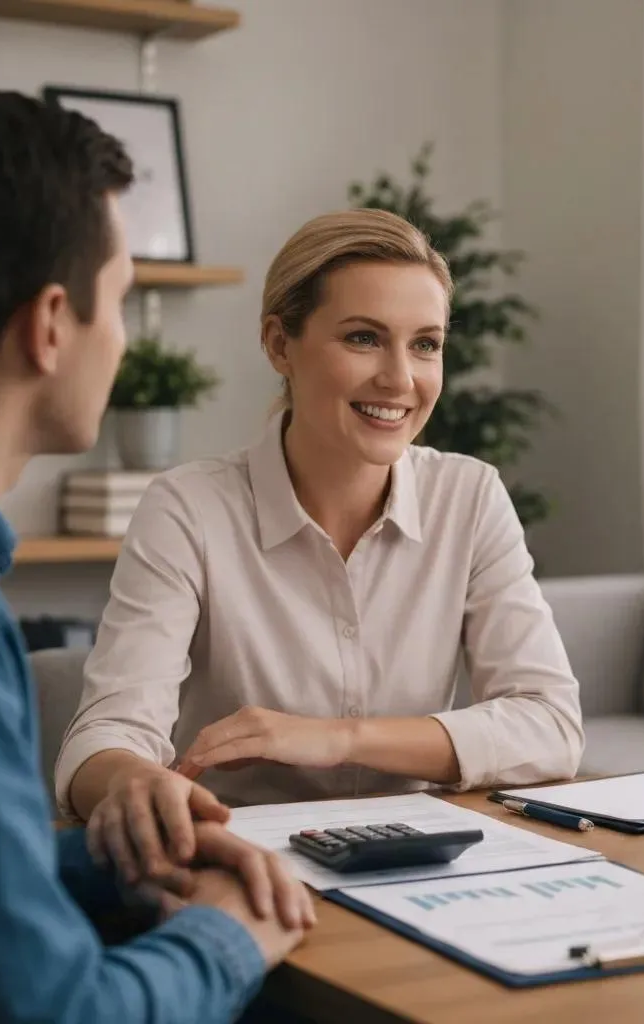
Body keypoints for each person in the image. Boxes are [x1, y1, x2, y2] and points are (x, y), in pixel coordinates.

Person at [54, 206, 584, 883]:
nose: (401, 379)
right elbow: (105, 736)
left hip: (426, 869)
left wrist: (337, 738)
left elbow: (551, 728)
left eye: (425, 344)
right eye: (364, 338)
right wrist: (131, 782)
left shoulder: (471, 498)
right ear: (280, 345)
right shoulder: (188, 508)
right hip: (244, 874)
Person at [0, 85, 315, 1024]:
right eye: (123, 302)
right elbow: (55, 1015)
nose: (122, 340)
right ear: (53, 322)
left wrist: (107, 855)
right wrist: (228, 935)